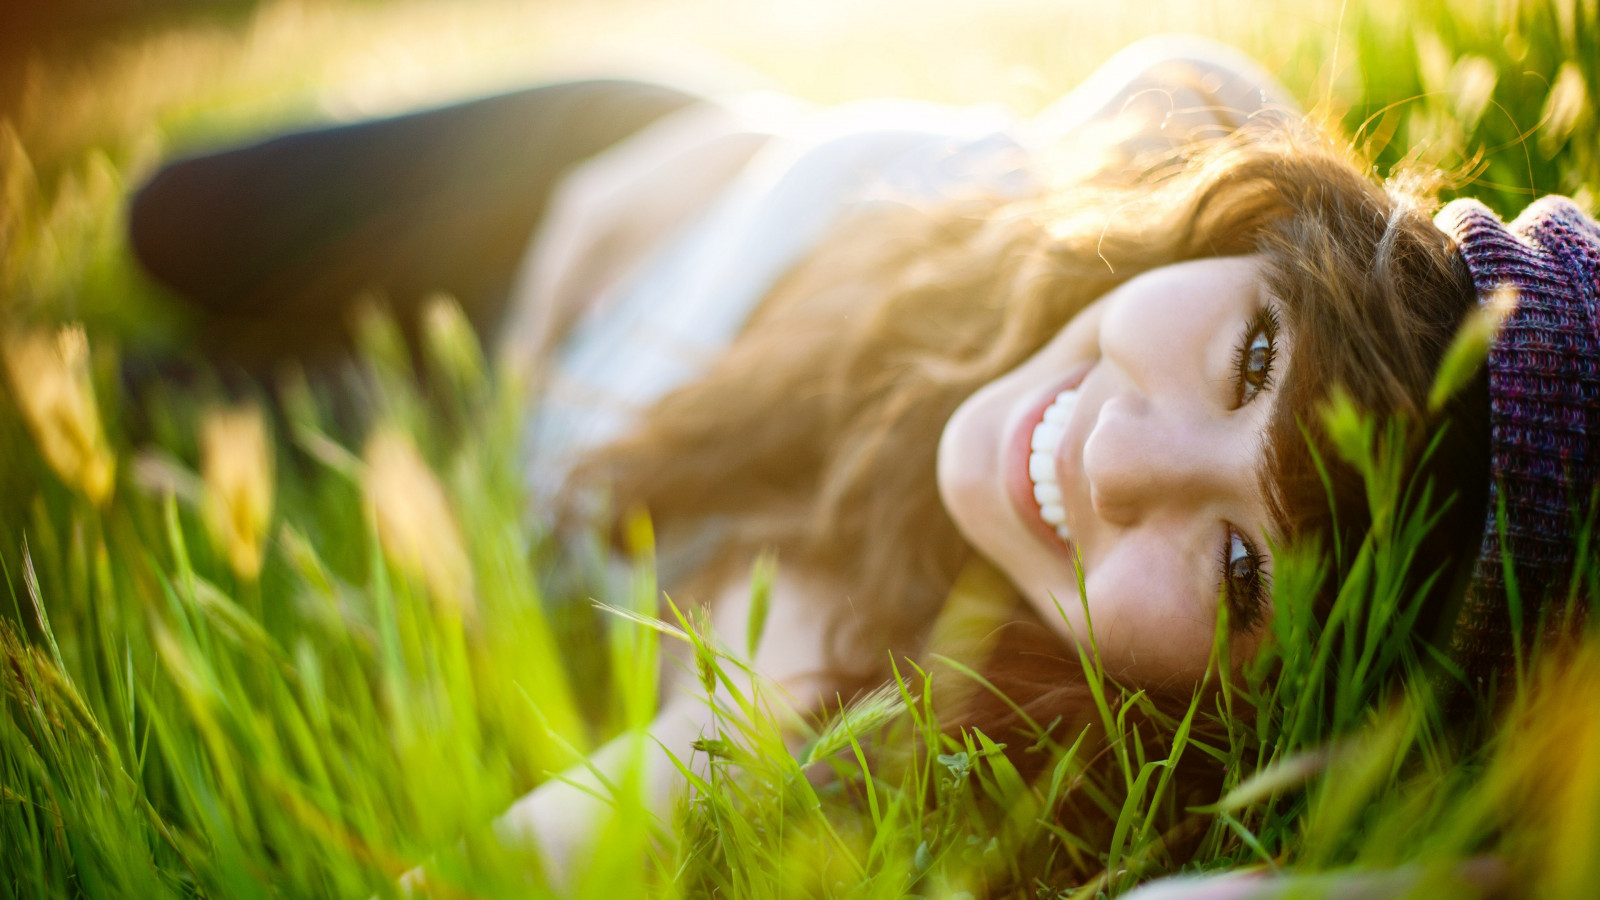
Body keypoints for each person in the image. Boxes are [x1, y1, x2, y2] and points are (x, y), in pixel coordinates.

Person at [124, 33, 1596, 892]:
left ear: (1260, 706)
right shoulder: (1172, 131)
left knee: (150, 400)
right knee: (161, 220)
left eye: (1236, 564)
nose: (1119, 460)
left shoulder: (880, 707)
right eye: (1254, 360)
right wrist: (677, 177)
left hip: (478, 424)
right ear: (1251, 242)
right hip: (600, 179)